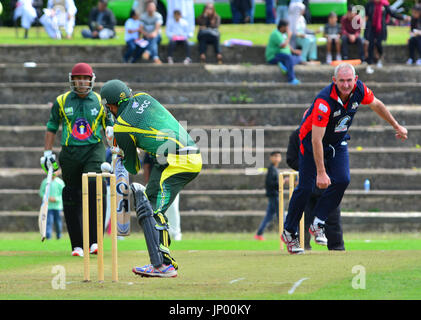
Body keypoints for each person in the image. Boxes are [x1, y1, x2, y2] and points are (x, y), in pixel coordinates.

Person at [281, 63, 408, 254]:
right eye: (342, 81)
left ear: (355, 79)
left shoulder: (360, 89)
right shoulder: (324, 101)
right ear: (334, 81)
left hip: (337, 141)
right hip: (311, 142)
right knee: (306, 187)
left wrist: (396, 125)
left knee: (342, 180)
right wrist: (321, 173)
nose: (346, 85)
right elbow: (316, 140)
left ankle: (318, 223)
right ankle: (289, 232)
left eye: (349, 80)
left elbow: (377, 105)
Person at [100, 79, 202, 278]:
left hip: (178, 160)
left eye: (108, 107)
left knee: (152, 208)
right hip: (187, 154)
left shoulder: (121, 127)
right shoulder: (144, 97)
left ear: (112, 105)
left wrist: (120, 149)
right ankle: (159, 263)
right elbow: (150, 128)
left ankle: (163, 265)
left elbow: (133, 167)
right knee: (148, 200)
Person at [40, 62, 113, 256]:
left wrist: (115, 146)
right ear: (72, 80)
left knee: (94, 186)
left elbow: (110, 125)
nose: (81, 82)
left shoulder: (99, 101)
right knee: (71, 195)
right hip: (70, 152)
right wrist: (47, 153)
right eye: (78, 78)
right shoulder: (62, 101)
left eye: (85, 78)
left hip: (94, 150)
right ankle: (77, 245)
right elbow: (52, 126)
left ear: (91, 80)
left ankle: (95, 242)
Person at [286, 127, 345, 251]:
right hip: (308, 183)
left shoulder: (331, 133)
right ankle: (303, 246)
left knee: (333, 219)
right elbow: (291, 159)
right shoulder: (297, 135)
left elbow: (336, 158)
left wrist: (325, 170)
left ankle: (337, 248)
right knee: (304, 220)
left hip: (327, 184)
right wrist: (308, 167)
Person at [143, 153, 182, 241]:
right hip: (155, 183)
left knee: (173, 208)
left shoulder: (173, 149)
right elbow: (146, 166)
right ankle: (155, 232)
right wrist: (147, 183)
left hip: (170, 184)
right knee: (153, 209)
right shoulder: (151, 149)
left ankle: (176, 233)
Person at [364, 0, 409, 74]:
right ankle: (370, 64)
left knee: (379, 44)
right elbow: (366, 16)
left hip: (381, 29)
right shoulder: (369, 4)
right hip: (371, 28)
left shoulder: (385, 5)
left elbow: (393, 14)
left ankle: (380, 59)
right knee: (371, 45)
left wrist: (403, 17)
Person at [254, 151, 282, 241]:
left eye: (278, 156)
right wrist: (281, 182)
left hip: (274, 195)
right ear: (271, 158)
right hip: (274, 195)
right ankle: (287, 233)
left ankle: (259, 234)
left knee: (269, 216)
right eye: (275, 156)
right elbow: (270, 183)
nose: (277, 158)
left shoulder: (275, 169)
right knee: (281, 215)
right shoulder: (271, 169)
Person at [265, 19, 302, 85]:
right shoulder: (276, 34)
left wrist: (294, 51)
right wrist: (289, 36)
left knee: (299, 58)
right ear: (282, 27)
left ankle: (283, 64)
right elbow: (283, 45)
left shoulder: (283, 34)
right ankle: (291, 79)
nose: (288, 29)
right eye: (287, 27)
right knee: (288, 58)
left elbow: (287, 45)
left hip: (282, 56)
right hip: (273, 56)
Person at [39, 169, 65, 240]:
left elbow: (63, 193)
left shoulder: (60, 182)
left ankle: (59, 236)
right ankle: (48, 236)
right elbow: (41, 192)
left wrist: (56, 199)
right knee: (48, 222)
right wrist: (47, 198)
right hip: (48, 206)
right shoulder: (45, 182)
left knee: (58, 222)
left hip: (58, 206)